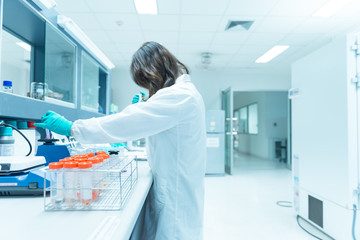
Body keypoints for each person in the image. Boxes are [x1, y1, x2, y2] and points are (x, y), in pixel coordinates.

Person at [35, 41, 207, 239]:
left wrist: (72, 128)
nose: (151, 87)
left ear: (156, 71)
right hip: (176, 184)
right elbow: (157, 129)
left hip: (177, 199)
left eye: (149, 81)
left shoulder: (179, 96)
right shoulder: (183, 94)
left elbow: (125, 124)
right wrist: (144, 108)